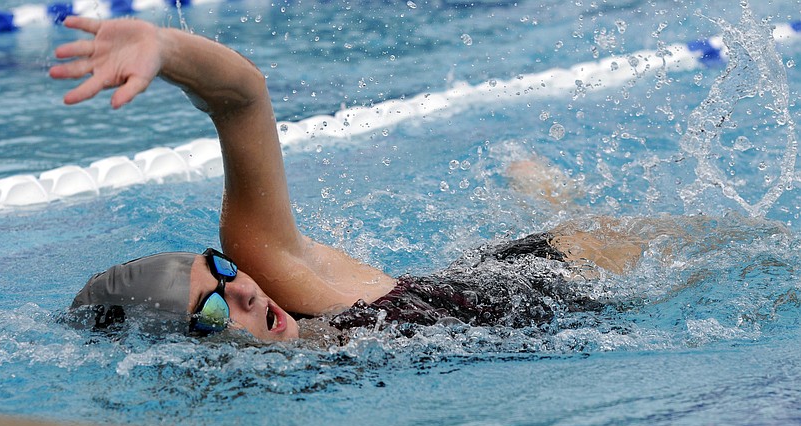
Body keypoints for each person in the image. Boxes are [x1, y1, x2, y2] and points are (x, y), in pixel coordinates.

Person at [54, 17, 781, 344]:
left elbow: (242, 99)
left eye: (221, 272)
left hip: (568, 267)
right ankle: (536, 189)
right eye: (212, 312)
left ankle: (549, 200)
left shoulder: (279, 274)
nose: (242, 291)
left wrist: (164, 46)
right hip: (512, 303)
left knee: (768, 253)